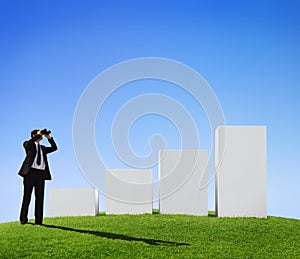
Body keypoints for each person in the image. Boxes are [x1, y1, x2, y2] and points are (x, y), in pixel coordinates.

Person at [18, 129, 58, 225]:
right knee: (27, 196)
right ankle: (23, 219)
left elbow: (54, 148)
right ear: (33, 135)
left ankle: (39, 221)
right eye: (37, 135)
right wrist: (38, 135)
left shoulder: (43, 148)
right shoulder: (28, 144)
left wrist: (49, 138)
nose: (40, 136)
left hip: (41, 174)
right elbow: (28, 144)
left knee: (40, 198)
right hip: (30, 173)